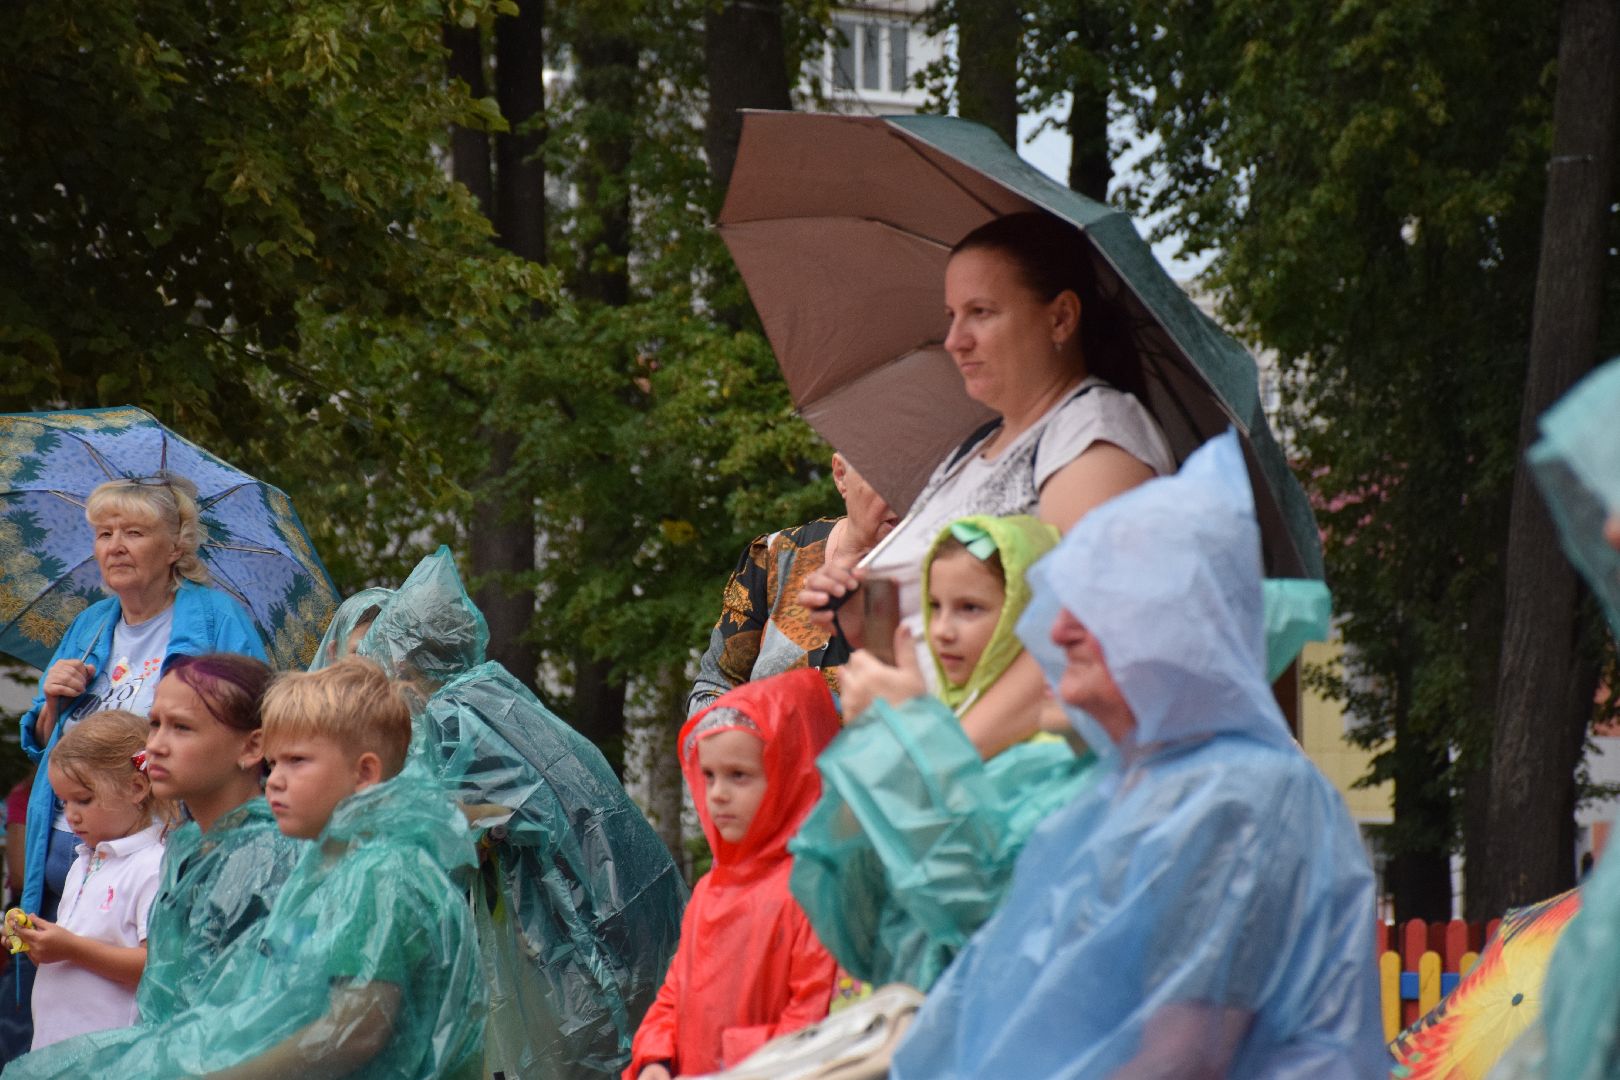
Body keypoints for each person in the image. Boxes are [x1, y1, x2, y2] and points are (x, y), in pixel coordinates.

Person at [889, 432, 1386, 1078]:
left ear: (1177, 624)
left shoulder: (1240, 795)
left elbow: (1182, 1057)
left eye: (1097, 606)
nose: (1058, 631)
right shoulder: (1137, 781)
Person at [801, 211, 1174, 755]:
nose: (955, 340)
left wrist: (942, 758)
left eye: (981, 313)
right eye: (952, 316)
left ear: (1061, 318)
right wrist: (861, 614)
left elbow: (1080, 640)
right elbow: (930, 634)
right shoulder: (973, 451)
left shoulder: (1094, 437)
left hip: (997, 780)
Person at [37, 657, 484, 1079]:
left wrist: (217, 1073)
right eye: (276, 762)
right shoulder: (337, 862)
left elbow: (354, 1028)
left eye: (296, 761)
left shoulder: (375, 869)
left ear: (364, 773)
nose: (277, 780)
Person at [340, 548, 687, 1077]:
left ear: (404, 662)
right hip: (624, 905)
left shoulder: (452, 715)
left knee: (599, 1045)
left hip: (580, 923)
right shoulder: (497, 692)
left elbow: (485, 815)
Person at [790, 515, 1089, 991]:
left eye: (970, 608)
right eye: (933, 606)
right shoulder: (940, 725)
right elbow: (855, 921)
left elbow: (977, 907)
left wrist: (907, 740)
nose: (943, 630)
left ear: (1028, 613)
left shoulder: (1058, 759)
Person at [1, 654, 303, 1080]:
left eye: (181, 727)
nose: (154, 745)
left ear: (252, 747)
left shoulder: (264, 857)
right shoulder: (188, 846)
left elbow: (248, 1022)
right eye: (156, 723)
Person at [17, 474, 265, 934]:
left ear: (175, 547)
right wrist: (51, 702)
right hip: (65, 847)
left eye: (133, 533)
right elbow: (43, 745)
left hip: (158, 855)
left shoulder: (216, 619)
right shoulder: (90, 623)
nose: (115, 547)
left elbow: (255, 730)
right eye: (104, 534)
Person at [627, 669, 841, 1080]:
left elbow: (812, 1022)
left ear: (790, 775)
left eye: (738, 775)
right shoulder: (712, 888)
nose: (718, 794)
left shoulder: (812, 893)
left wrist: (731, 1065)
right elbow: (675, 993)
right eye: (708, 775)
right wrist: (657, 1056)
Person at [687, 453, 897, 717]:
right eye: (885, 479)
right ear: (841, 475)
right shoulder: (777, 556)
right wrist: (746, 734)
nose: (902, 497)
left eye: (918, 482)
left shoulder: (934, 582)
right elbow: (714, 686)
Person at [10, 711, 168, 1050]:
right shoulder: (84, 860)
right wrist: (38, 943)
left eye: (83, 799)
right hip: (55, 1048)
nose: (71, 815)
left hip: (109, 1057)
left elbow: (155, 966)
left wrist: (70, 948)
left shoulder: (152, 865)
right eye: (63, 802)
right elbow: (72, 949)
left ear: (137, 788)